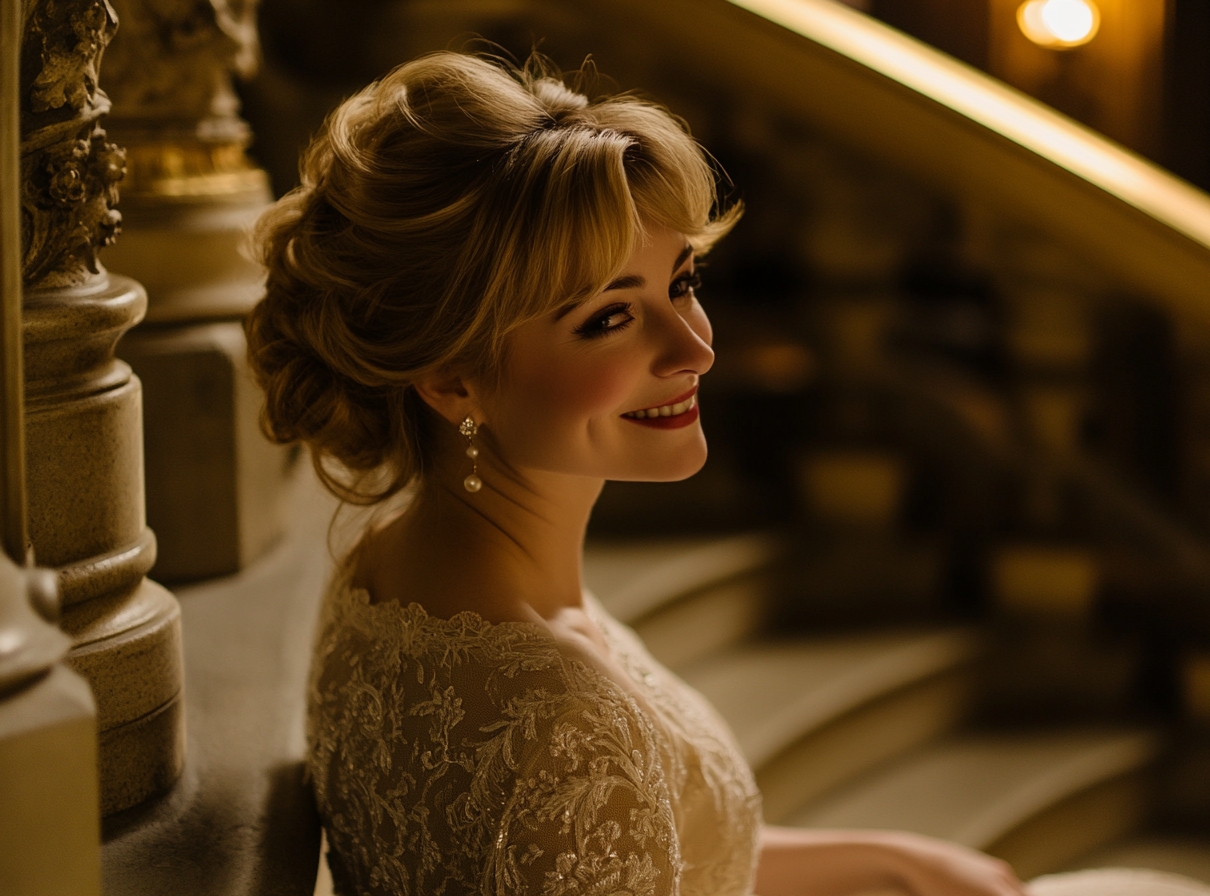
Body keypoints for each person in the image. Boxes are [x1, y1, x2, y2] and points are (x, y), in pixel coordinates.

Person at [247, 50, 1027, 896]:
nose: (696, 348)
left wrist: (896, 861)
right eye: (610, 317)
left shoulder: (387, 565)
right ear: (452, 378)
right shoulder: (566, 732)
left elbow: (671, 857)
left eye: (682, 282)